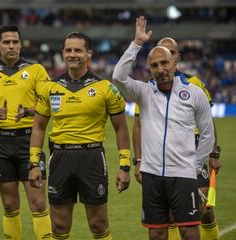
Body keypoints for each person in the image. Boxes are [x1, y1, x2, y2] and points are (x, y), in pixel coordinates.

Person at [112, 16, 215, 240]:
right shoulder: (144, 92)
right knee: (156, 234)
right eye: (154, 65)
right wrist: (136, 44)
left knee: (189, 232)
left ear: (175, 64)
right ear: (149, 69)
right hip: (153, 176)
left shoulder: (194, 93)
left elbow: (207, 134)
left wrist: (194, 166)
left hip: (184, 175)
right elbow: (118, 76)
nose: (160, 69)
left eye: (165, 63)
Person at [28, 32, 131, 240]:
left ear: (89, 54)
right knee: (58, 226)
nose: (73, 54)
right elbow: (38, 126)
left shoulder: (105, 88)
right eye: (68, 50)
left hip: (91, 157)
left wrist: (124, 165)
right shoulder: (50, 88)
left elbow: (121, 128)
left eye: (78, 50)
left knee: (98, 224)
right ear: (63, 54)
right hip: (60, 158)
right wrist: (33, 164)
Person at [132, 37, 221, 240]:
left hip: (194, 149)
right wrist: (138, 160)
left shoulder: (195, 84)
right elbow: (138, 124)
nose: (165, 59)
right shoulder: (149, 89)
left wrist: (213, 152)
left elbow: (208, 123)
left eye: (170, 53)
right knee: (169, 217)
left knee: (204, 210)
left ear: (176, 58)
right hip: (162, 155)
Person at [0, 25, 51, 240]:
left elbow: (49, 104)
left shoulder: (36, 70)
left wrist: (28, 111)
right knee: (9, 205)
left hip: (30, 141)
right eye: (6, 42)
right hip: (0, 143)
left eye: (15, 42)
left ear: (21, 44)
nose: (11, 46)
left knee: (38, 203)